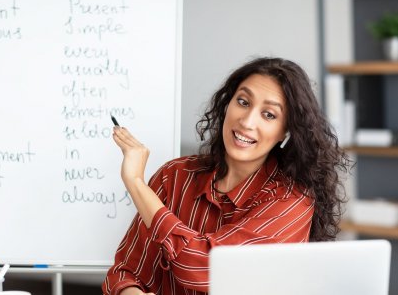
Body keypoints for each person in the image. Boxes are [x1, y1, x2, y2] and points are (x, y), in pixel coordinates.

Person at [102, 57, 350, 295]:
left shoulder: (290, 202)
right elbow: (125, 272)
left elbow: (203, 267)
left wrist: (136, 183)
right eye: (243, 102)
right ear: (227, 103)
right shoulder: (173, 177)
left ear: (285, 132)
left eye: (269, 115)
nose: (247, 121)